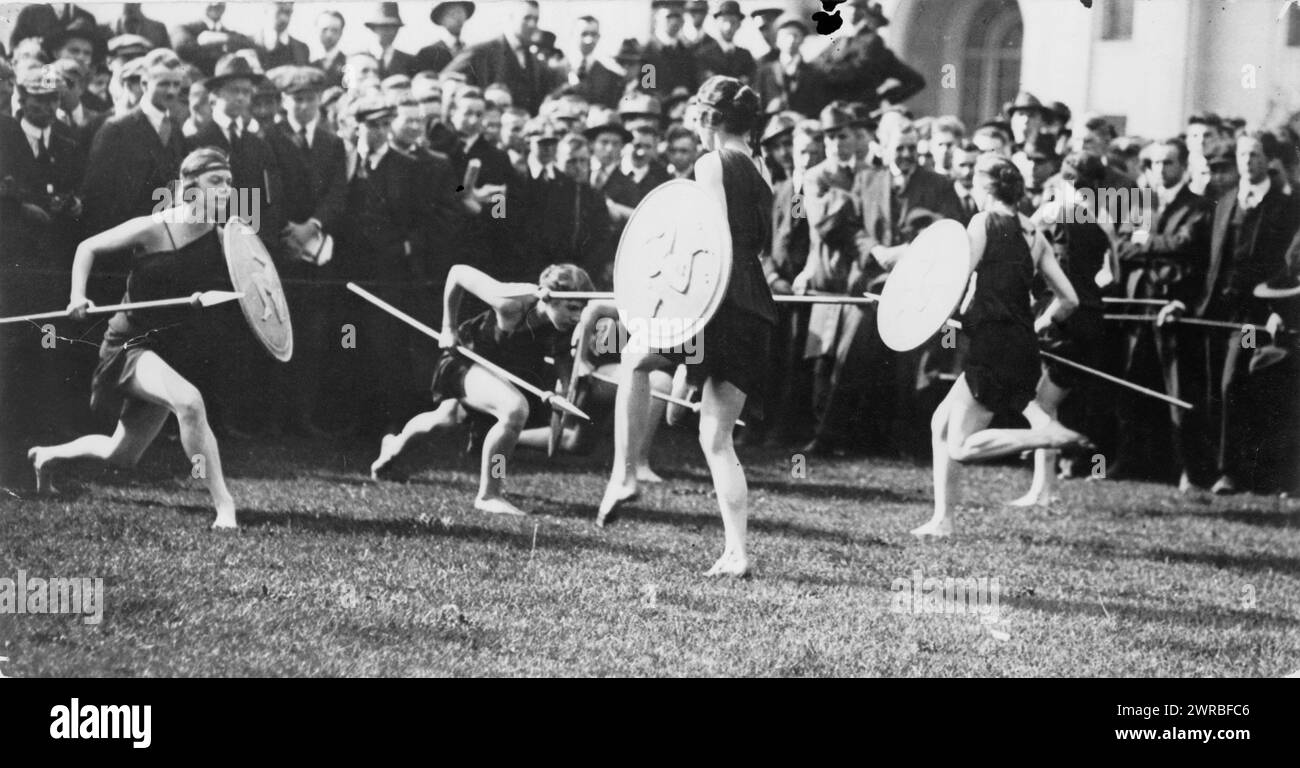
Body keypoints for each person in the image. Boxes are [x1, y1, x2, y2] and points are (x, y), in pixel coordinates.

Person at [598, 75, 776, 579]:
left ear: (709, 119)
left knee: (634, 359)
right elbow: (759, 246)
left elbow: (710, 245)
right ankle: (737, 552)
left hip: (718, 305)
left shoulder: (711, 163)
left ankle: (624, 475)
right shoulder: (761, 166)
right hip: (754, 310)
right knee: (715, 437)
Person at [27, 147, 243, 529]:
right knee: (190, 403)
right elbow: (86, 247)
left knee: (120, 455)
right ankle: (224, 505)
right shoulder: (155, 227)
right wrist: (77, 295)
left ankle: (46, 456)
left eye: (229, 182)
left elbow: (244, 287)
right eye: (216, 182)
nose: (226, 190)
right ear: (190, 187)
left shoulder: (223, 236)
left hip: (168, 349)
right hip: (130, 344)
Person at [912, 154, 1090, 538]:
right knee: (941, 423)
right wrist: (1037, 323)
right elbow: (1069, 299)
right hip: (1021, 345)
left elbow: (960, 273)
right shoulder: (1032, 232)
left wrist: (930, 309)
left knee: (959, 445)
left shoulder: (983, 221)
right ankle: (943, 520)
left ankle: (1047, 437)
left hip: (992, 346)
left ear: (983, 188)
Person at [369, 264, 593, 517]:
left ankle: (393, 446)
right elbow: (457, 273)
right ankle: (489, 495)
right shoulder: (513, 302)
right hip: (466, 358)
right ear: (548, 296)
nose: (577, 317)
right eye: (572, 308)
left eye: (582, 309)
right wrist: (448, 328)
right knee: (514, 409)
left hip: (498, 372)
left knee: (444, 420)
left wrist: (562, 392)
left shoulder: (561, 326)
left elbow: (563, 365)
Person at [1008, 151, 1114, 507]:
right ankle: (1044, 487)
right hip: (1089, 320)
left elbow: (1022, 239)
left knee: (1039, 404)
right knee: (1045, 405)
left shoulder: (1056, 212)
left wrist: (1043, 313)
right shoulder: (1105, 217)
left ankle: (1045, 488)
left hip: (1062, 321)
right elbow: (1111, 274)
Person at [443, 0, 551, 115]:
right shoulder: (481, 51)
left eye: (536, 19)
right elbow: (446, 79)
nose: (532, 24)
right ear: (511, 18)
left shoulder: (535, 61)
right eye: (527, 18)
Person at [415, 1, 475, 75]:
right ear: (440, 19)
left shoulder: (472, 50)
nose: (457, 18)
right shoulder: (428, 52)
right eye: (452, 14)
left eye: (460, 12)